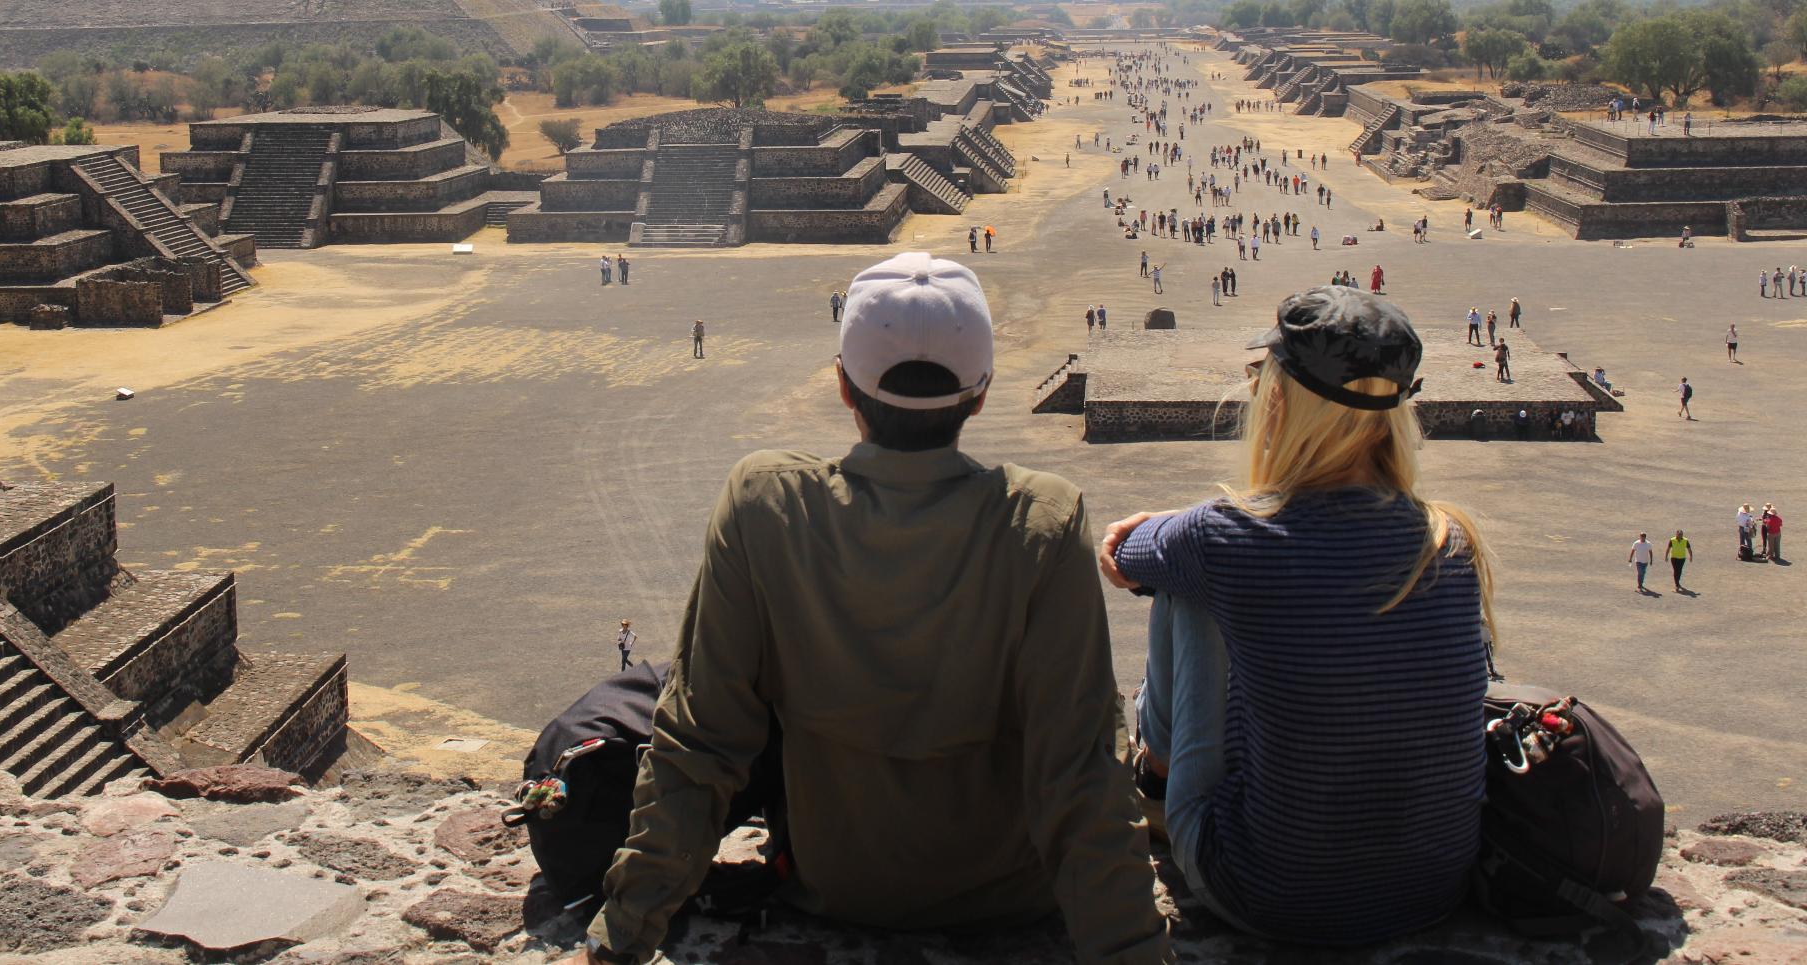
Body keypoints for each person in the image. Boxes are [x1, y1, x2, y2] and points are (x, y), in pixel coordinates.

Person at [576, 252, 1169, 965]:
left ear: (843, 386)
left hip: (838, 884)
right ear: (979, 395)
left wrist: (620, 937)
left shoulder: (766, 505)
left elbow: (700, 740)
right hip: (1010, 890)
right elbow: (1080, 769)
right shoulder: (1041, 520)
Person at [1100, 286, 1493, 948]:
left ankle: (1159, 777)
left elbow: (1122, 556)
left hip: (1270, 894)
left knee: (1186, 586)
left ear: (1277, 400)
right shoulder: (1450, 539)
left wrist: (1176, 528)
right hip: (1434, 887)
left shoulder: (1225, 536)